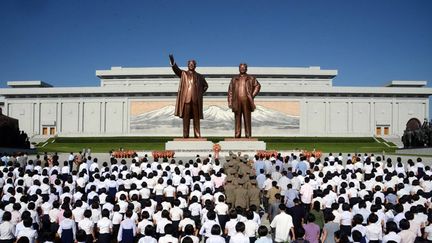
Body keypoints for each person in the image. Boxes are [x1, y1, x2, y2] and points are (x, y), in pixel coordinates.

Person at [169, 54, 208, 138]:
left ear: (195, 66)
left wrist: (199, 93)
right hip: (186, 99)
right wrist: (172, 61)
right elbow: (176, 70)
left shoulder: (200, 76)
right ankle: (185, 135)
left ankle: (197, 134)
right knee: (186, 118)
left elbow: (206, 86)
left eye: (192, 64)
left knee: (196, 118)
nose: (191, 65)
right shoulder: (184, 74)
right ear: (187, 65)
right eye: (189, 64)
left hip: (196, 100)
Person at [228, 63, 261, 138]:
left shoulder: (251, 78)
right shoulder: (234, 79)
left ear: (246, 69)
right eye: (241, 67)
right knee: (237, 118)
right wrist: (230, 101)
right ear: (239, 68)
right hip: (237, 101)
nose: (242, 69)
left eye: (244, 68)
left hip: (246, 101)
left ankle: (248, 135)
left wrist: (252, 95)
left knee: (247, 118)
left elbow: (258, 86)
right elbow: (230, 91)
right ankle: (237, 135)